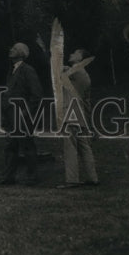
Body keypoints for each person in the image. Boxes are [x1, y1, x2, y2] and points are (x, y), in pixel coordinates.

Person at [0, 42, 43, 186]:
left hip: (22, 117)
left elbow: (37, 95)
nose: (11, 49)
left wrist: (26, 113)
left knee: (27, 146)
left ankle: (32, 177)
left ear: (21, 54)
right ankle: (8, 177)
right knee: (10, 146)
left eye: (14, 48)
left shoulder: (27, 70)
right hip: (11, 116)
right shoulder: (13, 71)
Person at [57, 48, 98, 189]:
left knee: (70, 147)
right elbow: (87, 103)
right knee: (84, 147)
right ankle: (92, 178)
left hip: (70, 114)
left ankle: (72, 180)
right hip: (79, 115)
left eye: (75, 53)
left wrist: (45, 50)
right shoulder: (85, 76)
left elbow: (55, 67)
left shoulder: (76, 71)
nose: (71, 54)